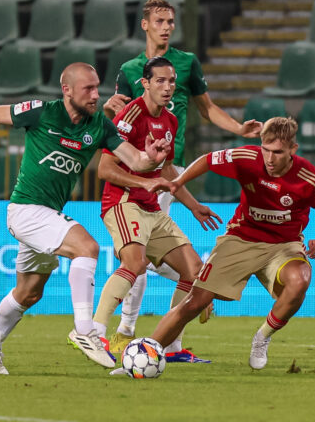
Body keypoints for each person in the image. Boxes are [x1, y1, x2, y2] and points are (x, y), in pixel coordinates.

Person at [0, 63, 172, 375]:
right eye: (88, 89)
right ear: (66, 90)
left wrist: (152, 156)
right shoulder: (42, 111)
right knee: (87, 248)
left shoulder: (99, 126)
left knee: (29, 292)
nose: (96, 95)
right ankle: (85, 329)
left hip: (47, 216)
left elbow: (135, 160)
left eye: (97, 87)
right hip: (26, 210)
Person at [101, 0, 263, 361]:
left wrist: (238, 127)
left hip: (169, 174)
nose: (166, 27)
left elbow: (206, 109)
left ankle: (164, 340)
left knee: (146, 260)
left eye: (170, 22)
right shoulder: (130, 70)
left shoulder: (187, 64)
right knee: (139, 260)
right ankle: (126, 331)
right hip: (137, 175)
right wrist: (109, 108)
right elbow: (117, 122)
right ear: (145, 25)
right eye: (159, 21)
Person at [134, 117, 315, 372]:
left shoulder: (308, 178)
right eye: (266, 150)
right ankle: (146, 352)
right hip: (241, 237)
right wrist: (178, 183)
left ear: (293, 149)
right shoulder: (247, 157)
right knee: (195, 301)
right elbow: (207, 160)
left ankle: (262, 337)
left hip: (284, 244)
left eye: (278, 152)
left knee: (300, 279)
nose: (269, 158)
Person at [92, 57, 221, 362]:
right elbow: (105, 169)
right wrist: (141, 181)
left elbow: (165, 171)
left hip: (152, 208)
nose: (168, 87)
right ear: (145, 83)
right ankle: (94, 333)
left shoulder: (170, 121)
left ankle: (172, 347)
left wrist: (194, 206)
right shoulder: (130, 114)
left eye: (172, 81)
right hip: (124, 202)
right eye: (160, 81)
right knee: (134, 262)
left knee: (194, 272)